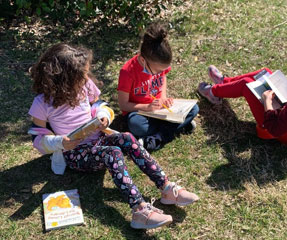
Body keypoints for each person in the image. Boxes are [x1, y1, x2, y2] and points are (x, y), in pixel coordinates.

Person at [28, 43, 199, 230]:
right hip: (75, 153)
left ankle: (166, 188)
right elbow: (38, 139)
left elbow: (99, 105)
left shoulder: (84, 86)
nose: (86, 78)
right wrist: (60, 142)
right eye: (81, 75)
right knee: (112, 153)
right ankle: (139, 210)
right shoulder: (42, 103)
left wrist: (104, 116)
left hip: (98, 138)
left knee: (126, 137)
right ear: (65, 80)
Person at [117, 22, 199, 150]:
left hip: (160, 110)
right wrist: (147, 107)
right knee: (136, 125)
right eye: (158, 71)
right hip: (140, 112)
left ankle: (159, 136)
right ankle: (175, 127)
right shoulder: (127, 72)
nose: (161, 73)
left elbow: (163, 78)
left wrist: (163, 97)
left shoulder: (158, 66)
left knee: (194, 109)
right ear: (143, 61)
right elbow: (123, 105)